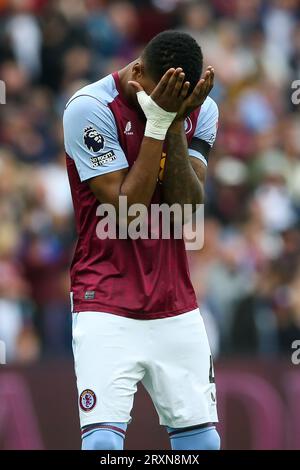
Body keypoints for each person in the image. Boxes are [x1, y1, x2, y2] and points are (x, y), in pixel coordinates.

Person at [63, 30, 220, 451]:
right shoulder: (88, 108)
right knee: (102, 447)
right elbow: (128, 212)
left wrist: (170, 124)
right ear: (135, 72)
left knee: (203, 445)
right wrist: (160, 120)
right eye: (156, 96)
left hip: (175, 301)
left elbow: (186, 209)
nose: (164, 102)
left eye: (174, 99)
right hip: (106, 299)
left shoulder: (201, 111)